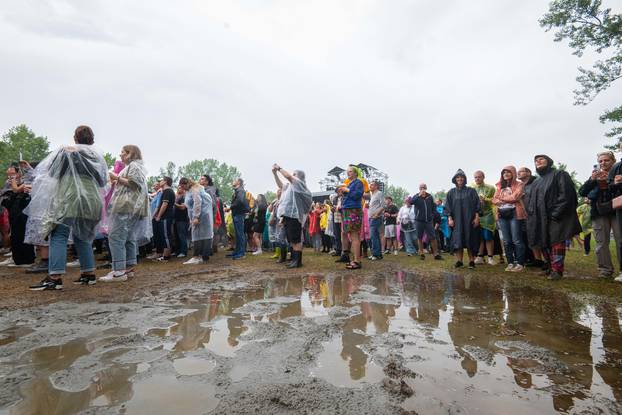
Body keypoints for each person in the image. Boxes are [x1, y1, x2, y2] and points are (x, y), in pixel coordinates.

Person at [28, 125, 107, 291]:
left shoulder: (67, 152)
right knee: (83, 237)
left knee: (59, 234)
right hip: (91, 200)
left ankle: (54, 278)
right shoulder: (97, 157)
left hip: (70, 197)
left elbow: (52, 173)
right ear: (91, 138)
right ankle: (88, 273)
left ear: (76, 137)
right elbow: (102, 181)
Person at [100, 145, 151, 282]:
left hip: (126, 206)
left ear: (130, 153)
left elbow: (134, 184)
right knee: (128, 237)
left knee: (116, 237)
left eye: (122, 152)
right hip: (130, 206)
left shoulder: (134, 166)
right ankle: (128, 268)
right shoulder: (135, 166)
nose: (120, 154)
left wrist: (115, 177)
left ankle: (119, 271)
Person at [526, 155, 581, 280]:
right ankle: (550, 268)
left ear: (549, 162)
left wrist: (556, 214)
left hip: (557, 216)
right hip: (539, 218)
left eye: (541, 159)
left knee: (556, 241)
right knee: (544, 242)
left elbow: (567, 195)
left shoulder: (560, 174)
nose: (538, 161)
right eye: (536, 160)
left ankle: (557, 270)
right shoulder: (537, 181)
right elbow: (531, 202)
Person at [579, 151, 621, 278]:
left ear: (613, 161)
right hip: (599, 212)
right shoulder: (595, 177)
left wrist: (611, 180)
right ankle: (605, 270)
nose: (603, 163)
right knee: (601, 242)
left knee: (620, 241)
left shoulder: (618, 173)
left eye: (606, 160)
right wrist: (592, 180)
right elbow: (582, 192)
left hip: (617, 211)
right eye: (600, 161)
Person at [272, 164, 313, 268]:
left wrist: (279, 168)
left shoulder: (299, 184)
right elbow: (281, 186)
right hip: (288, 215)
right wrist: (274, 174)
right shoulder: (291, 186)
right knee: (291, 239)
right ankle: (294, 260)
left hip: (295, 216)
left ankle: (297, 262)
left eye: (294, 174)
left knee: (296, 239)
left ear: (299, 176)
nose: (292, 175)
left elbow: (288, 176)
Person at [492, 166, 527, 272]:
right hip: (502, 215)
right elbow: (494, 199)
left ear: (513, 173)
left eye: (508, 172)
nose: (506, 174)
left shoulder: (519, 184)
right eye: (504, 172)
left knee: (517, 240)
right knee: (506, 241)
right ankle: (510, 263)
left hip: (515, 214)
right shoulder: (499, 185)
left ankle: (520, 263)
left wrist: (501, 199)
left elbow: (515, 197)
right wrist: (499, 200)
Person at [1, 164, 35, 267]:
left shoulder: (27, 181)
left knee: (22, 233)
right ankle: (16, 257)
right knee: (15, 233)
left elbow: (16, 189)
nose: (10, 176)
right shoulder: (8, 182)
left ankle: (25, 259)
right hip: (13, 210)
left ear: (19, 173)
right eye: (9, 174)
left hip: (23, 210)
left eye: (12, 174)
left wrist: (27, 167)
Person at [446, 169, 480, 269]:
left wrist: (477, 218)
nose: (460, 179)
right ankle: (459, 261)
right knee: (458, 240)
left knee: (470, 239)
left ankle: (471, 261)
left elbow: (477, 205)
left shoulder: (471, 191)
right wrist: (450, 219)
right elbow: (448, 207)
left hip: (469, 220)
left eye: (461, 177)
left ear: (464, 179)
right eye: (458, 177)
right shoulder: (451, 193)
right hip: (457, 221)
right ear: (455, 179)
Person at [180, 177, 214, 265]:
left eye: (183, 186)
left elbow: (197, 202)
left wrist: (196, 217)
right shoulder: (192, 190)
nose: (182, 189)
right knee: (203, 235)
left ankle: (197, 256)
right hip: (202, 215)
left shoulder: (195, 190)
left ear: (187, 184)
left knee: (198, 236)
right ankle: (203, 256)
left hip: (201, 215)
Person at [337, 165, 365, 269]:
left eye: (350, 171)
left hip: (353, 210)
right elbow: (348, 197)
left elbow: (358, 195)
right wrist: (342, 192)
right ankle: (355, 259)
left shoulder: (358, 182)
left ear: (355, 173)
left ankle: (357, 261)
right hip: (347, 209)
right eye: (347, 172)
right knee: (351, 235)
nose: (348, 173)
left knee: (354, 235)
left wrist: (347, 190)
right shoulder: (350, 183)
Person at [518, 166, 543, 268]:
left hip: (537, 213)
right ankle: (537, 260)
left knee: (539, 236)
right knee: (530, 237)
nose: (518, 173)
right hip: (525, 215)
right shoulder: (520, 185)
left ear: (528, 173)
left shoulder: (536, 182)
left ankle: (546, 260)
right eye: (517, 172)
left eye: (521, 171)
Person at [411, 183, 442, 260]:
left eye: (424, 187)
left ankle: (436, 254)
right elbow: (411, 202)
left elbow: (433, 207)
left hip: (428, 221)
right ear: (419, 188)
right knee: (419, 237)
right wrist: (419, 195)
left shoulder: (430, 197)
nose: (423, 189)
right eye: (421, 187)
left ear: (426, 188)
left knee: (433, 237)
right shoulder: (416, 196)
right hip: (419, 221)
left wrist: (434, 216)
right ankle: (421, 253)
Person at [472, 171, 496, 265]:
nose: (477, 179)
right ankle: (480, 256)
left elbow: (495, 200)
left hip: (487, 215)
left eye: (479, 177)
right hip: (477, 215)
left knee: (488, 236)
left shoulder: (490, 188)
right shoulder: (472, 188)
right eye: (475, 177)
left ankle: (490, 257)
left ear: (483, 177)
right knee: (480, 237)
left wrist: (485, 200)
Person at [153, 176, 175, 261]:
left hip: (166, 216)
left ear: (165, 182)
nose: (159, 182)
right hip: (166, 216)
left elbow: (164, 205)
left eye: (161, 180)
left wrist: (158, 216)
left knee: (166, 236)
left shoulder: (168, 191)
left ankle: (166, 256)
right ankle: (165, 255)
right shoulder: (166, 191)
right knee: (165, 235)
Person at [229, 178, 249, 259]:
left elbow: (240, 201)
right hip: (237, 214)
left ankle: (241, 253)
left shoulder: (240, 190)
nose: (232, 181)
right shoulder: (238, 191)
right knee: (237, 234)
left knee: (240, 234)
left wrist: (231, 206)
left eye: (234, 180)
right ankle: (237, 251)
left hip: (239, 214)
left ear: (239, 182)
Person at [367, 180, 385, 260]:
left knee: (373, 235)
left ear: (376, 186)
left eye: (372, 185)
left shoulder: (379, 193)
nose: (370, 186)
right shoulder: (372, 194)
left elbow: (383, 206)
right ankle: (377, 254)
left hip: (376, 218)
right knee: (375, 236)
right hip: (371, 217)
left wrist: (377, 214)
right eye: (370, 185)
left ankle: (376, 254)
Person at [173, 185, 189, 258]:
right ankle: (177, 251)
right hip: (176, 219)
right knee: (176, 236)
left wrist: (174, 203)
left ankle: (183, 251)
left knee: (182, 235)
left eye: (181, 188)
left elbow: (183, 207)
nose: (179, 189)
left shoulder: (184, 197)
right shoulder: (177, 197)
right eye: (178, 188)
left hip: (182, 219)